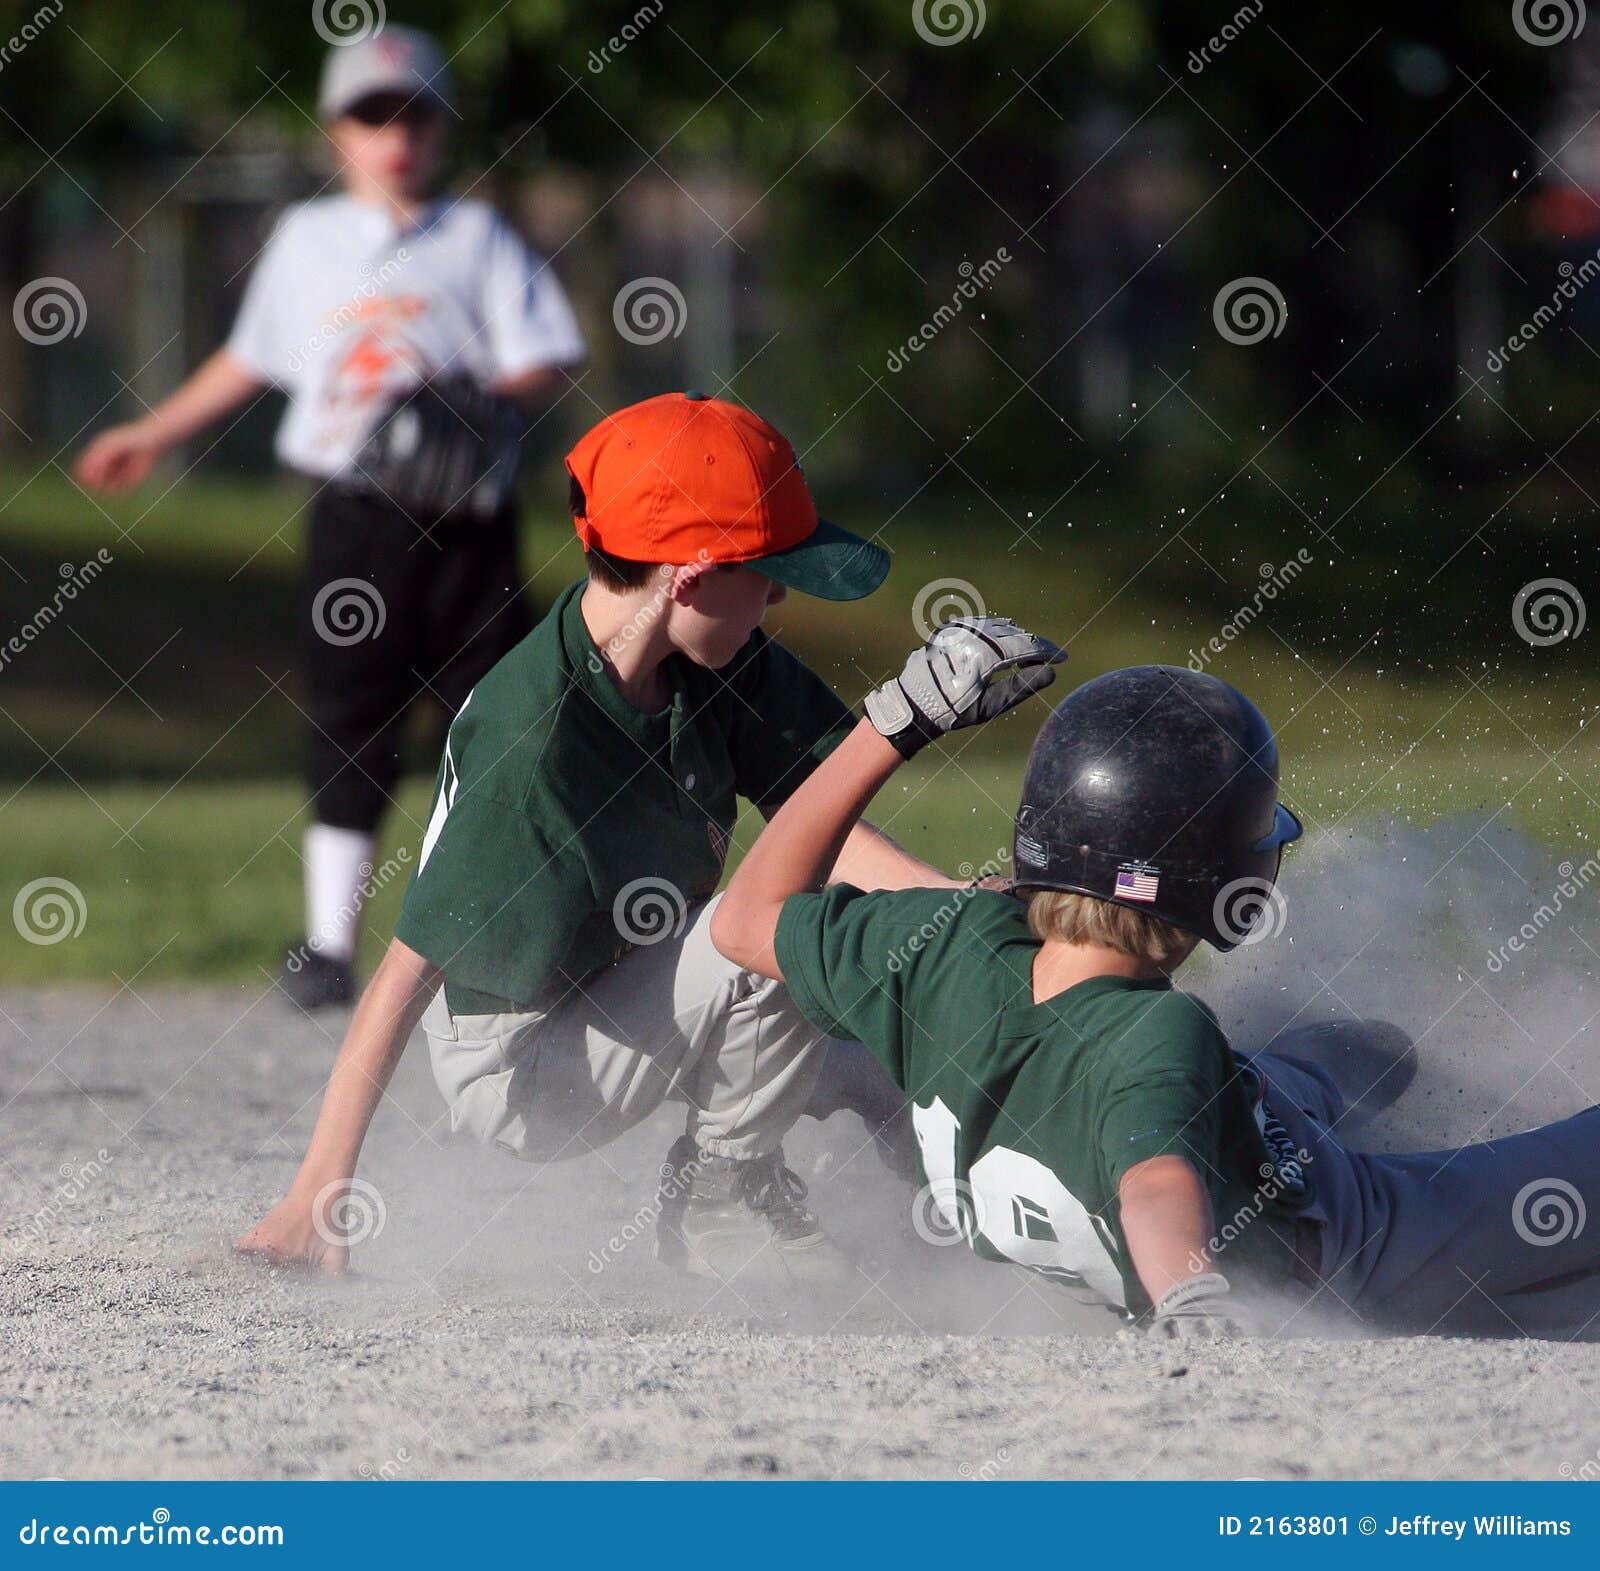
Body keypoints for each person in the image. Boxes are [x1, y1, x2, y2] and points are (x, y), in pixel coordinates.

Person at [235, 390, 958, 1289]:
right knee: (772, 925)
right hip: (521, 1063)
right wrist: (318, 1192)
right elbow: (403, 974)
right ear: (689, 580)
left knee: (866, 1019)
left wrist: (965, 917)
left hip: (627, 982)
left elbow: (832, 827)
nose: (778, 592)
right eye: (767, 570)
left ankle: (968, 1199)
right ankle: (718, 1200)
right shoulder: (534, 739)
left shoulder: (713, 660)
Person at [713, 642, 1600, 1340]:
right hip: (1347, 1240)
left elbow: (743, 917)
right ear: (1222, 885)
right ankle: (1350, 1080)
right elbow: (1157, 1183)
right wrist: (1193, 1296)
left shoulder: (934, 945)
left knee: (1322, 1063)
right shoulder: (1161, 1035)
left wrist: (889, 726)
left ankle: (1350, 1064)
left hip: (1208, 1105)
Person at [75, 25, 587, 1009]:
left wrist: (473, 392)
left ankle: (489, 927)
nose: (393, 137)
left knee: (496, 718)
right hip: (354, 517)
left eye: (414, 116)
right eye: (370, 116)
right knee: (352, 710)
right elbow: (253, 357)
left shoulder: (474, 239)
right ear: (336, 133)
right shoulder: (308, 240)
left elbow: (546, 353)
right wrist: (153, 430)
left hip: (466, 520)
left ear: (442, 131)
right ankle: (328, 944)